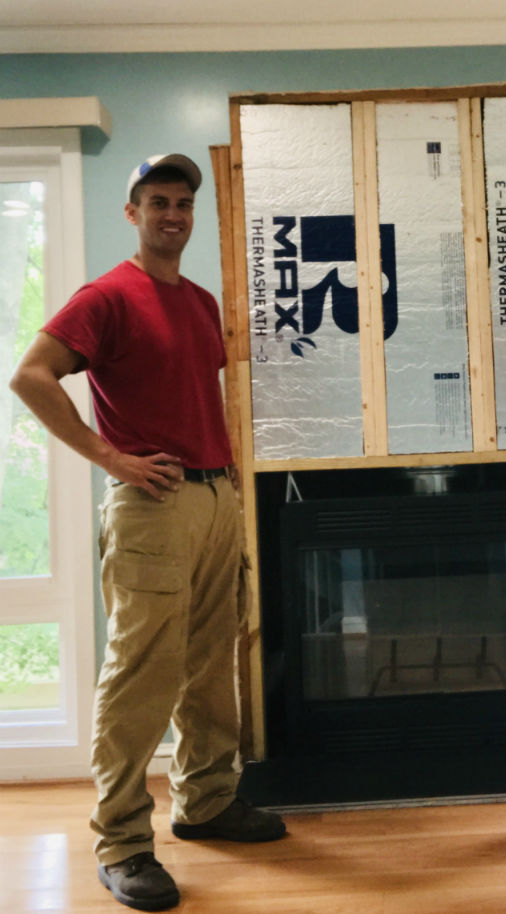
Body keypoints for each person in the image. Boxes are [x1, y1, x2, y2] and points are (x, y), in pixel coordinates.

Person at [9, 154, 286, 911]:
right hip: (152, 508)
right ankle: (124, 841)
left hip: (213, 498)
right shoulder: (107, 297)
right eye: (158, 201)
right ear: (132, 213)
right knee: (141, 675)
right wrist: (111, 458)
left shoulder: (197, 302)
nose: (173, 214)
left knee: (210, 668)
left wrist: (227, 482)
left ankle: (205, 803)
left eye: (183, 204)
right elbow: (31, 375)